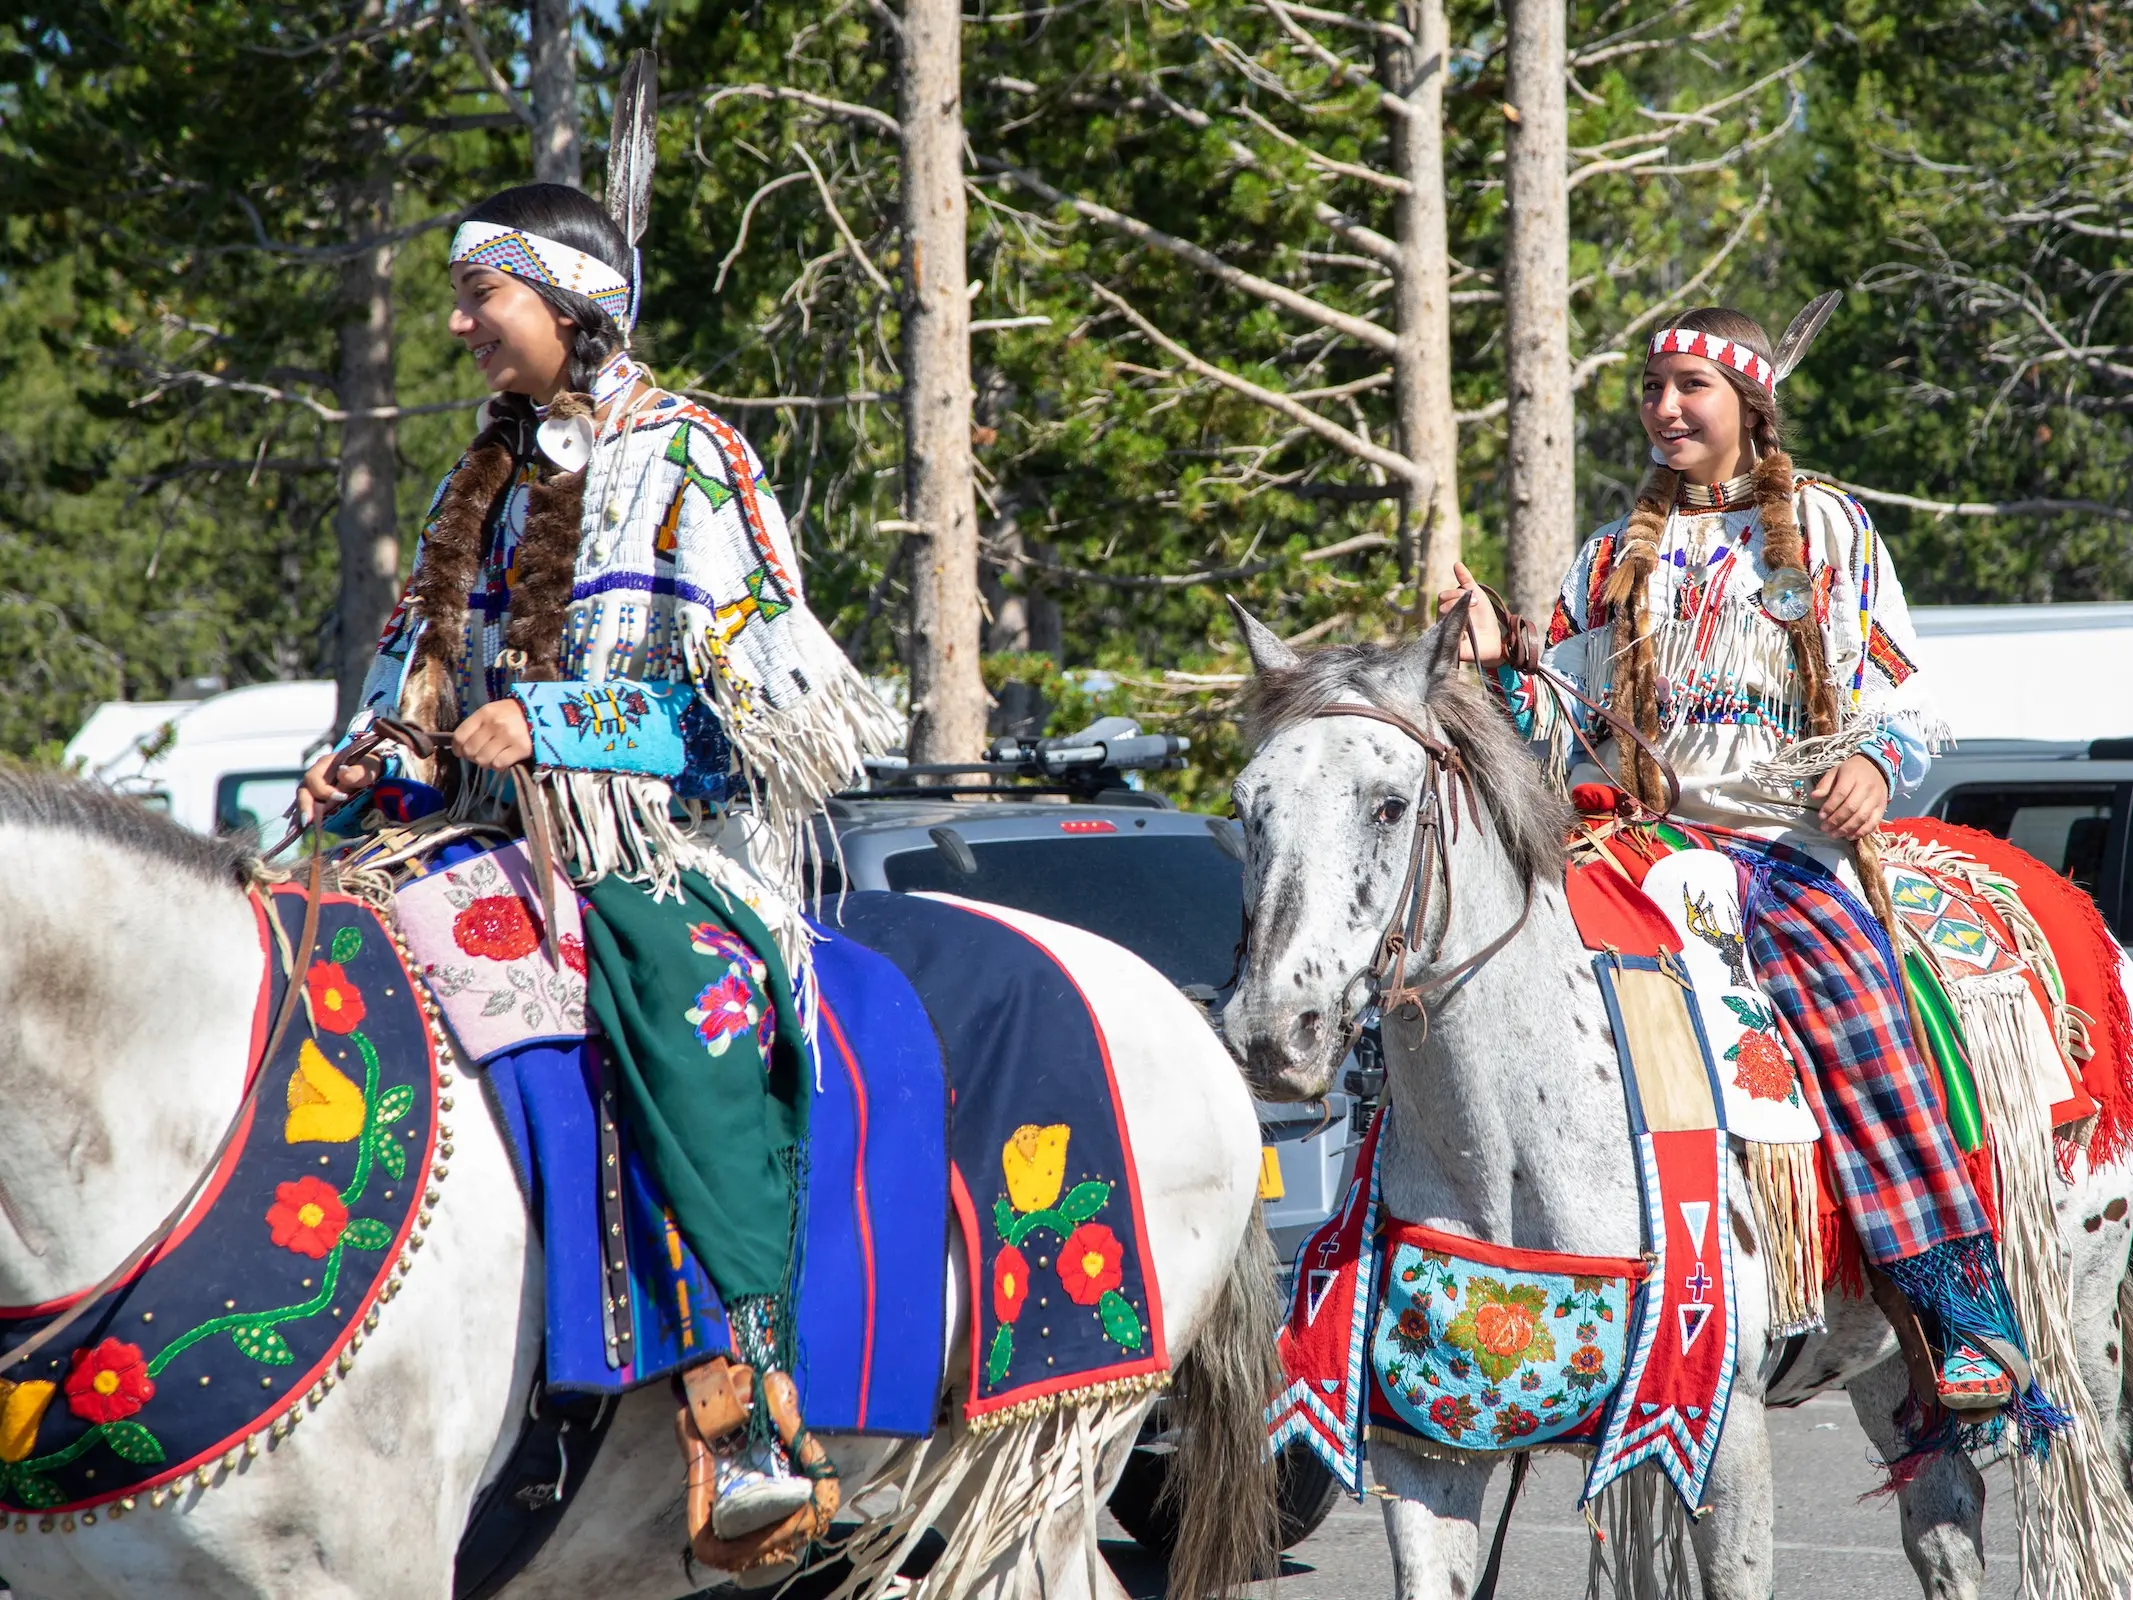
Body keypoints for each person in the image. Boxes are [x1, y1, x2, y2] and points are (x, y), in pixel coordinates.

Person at [298, 176, 894, 1554]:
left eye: (480, 294)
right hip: (479, 840)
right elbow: (418, 695)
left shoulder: (694, 458)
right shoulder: (484, 480)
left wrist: (561, 725)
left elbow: (778, 725)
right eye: (456, 296)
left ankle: (748, 1413)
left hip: (665, 851)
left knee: (670, 1002)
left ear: (571, 303)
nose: (457, 324)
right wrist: (368, 761)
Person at [1439, 304, 2044, 1426]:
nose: (1667, 408)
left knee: (1859, 1011)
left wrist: (1871, 761)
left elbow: (1912, 700)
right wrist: (1498, 656)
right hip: (1644, 840)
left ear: (1751, 405)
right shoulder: (1615, 554)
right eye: (1654, 388)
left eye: (1691, 388)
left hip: (1781, 848)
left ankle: (1965, 1309)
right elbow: (1557, 714)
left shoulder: (1829, 528)